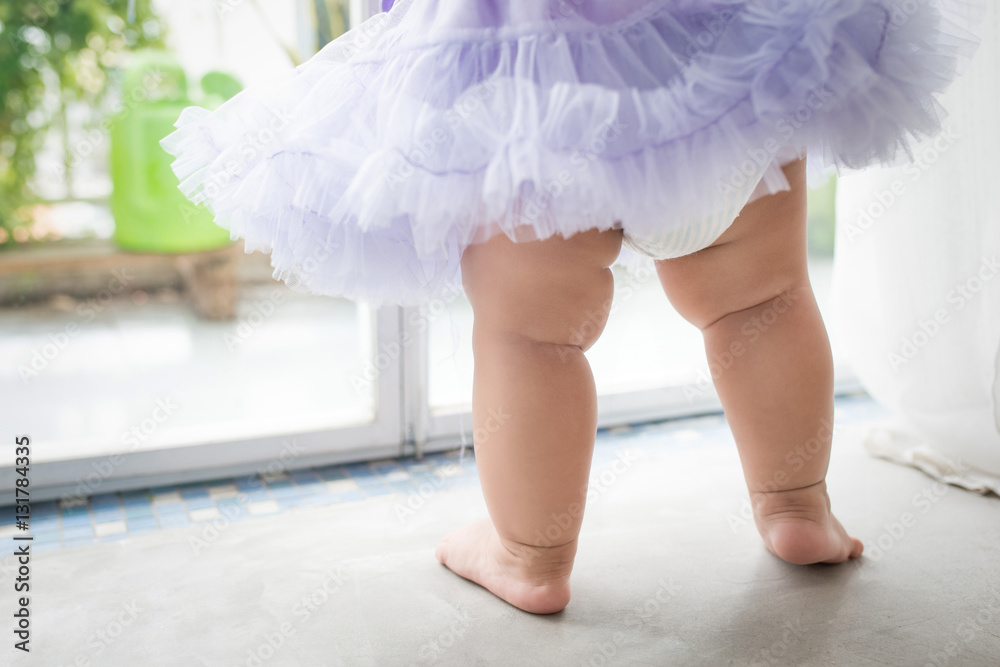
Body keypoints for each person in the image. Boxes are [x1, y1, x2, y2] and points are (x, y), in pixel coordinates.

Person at [161, 0, 983, 614]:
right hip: (725, 62)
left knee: (532, 339)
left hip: (523, 90)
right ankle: (798, 504)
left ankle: (530, 553)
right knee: (761, 298)